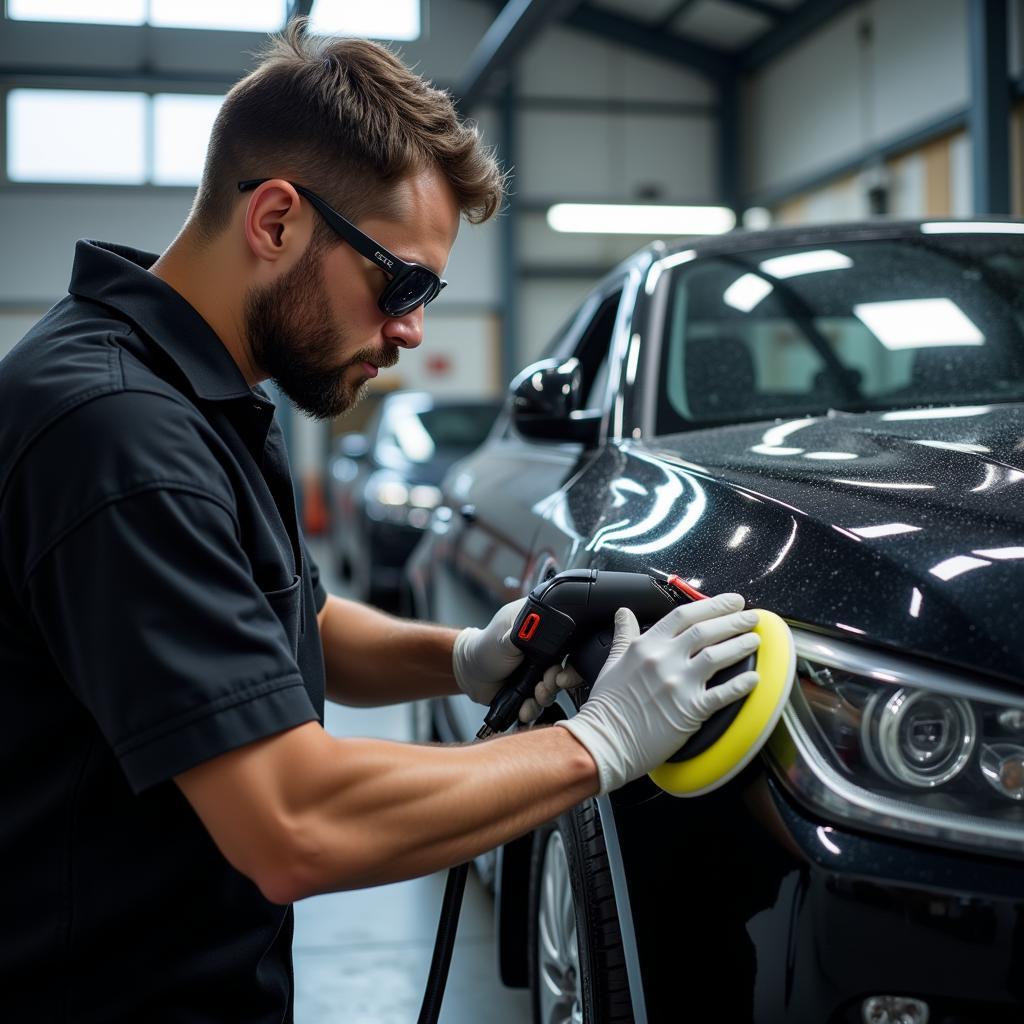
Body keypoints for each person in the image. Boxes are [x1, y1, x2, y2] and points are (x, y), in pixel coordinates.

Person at [0, 21, 760, 1023]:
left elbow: (291, 628)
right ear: (274, 220)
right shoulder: (119, 433)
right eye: (399, 282)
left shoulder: (206, 396)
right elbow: (293, 822)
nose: (411, 327)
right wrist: (598, 742)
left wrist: (467, 656)